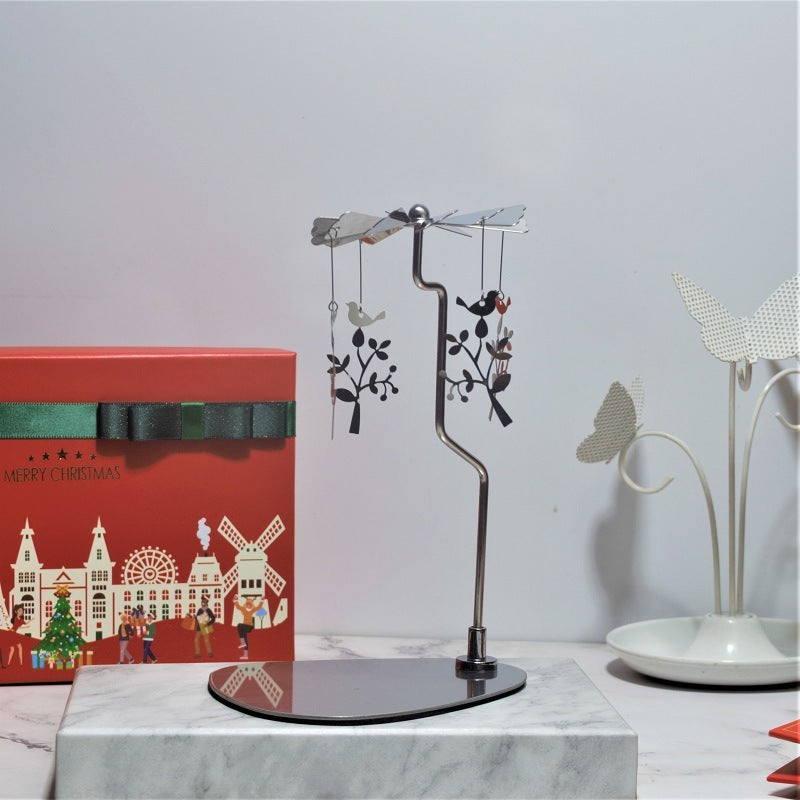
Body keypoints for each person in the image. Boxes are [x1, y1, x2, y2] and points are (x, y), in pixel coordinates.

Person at [233, 595, 264, 660]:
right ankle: (245, 655)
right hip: (245, 626)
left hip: (250, 626)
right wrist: (235, 600)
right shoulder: (244, 609)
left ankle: (242, 642)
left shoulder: (253, 610)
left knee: (239, 625)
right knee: (245, 638)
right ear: (246, 604)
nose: (248, 606)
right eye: (247, 604)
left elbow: (259, 607)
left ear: (252, 605)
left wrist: (262, 600)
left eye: (250, 605)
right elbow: (238, 607)